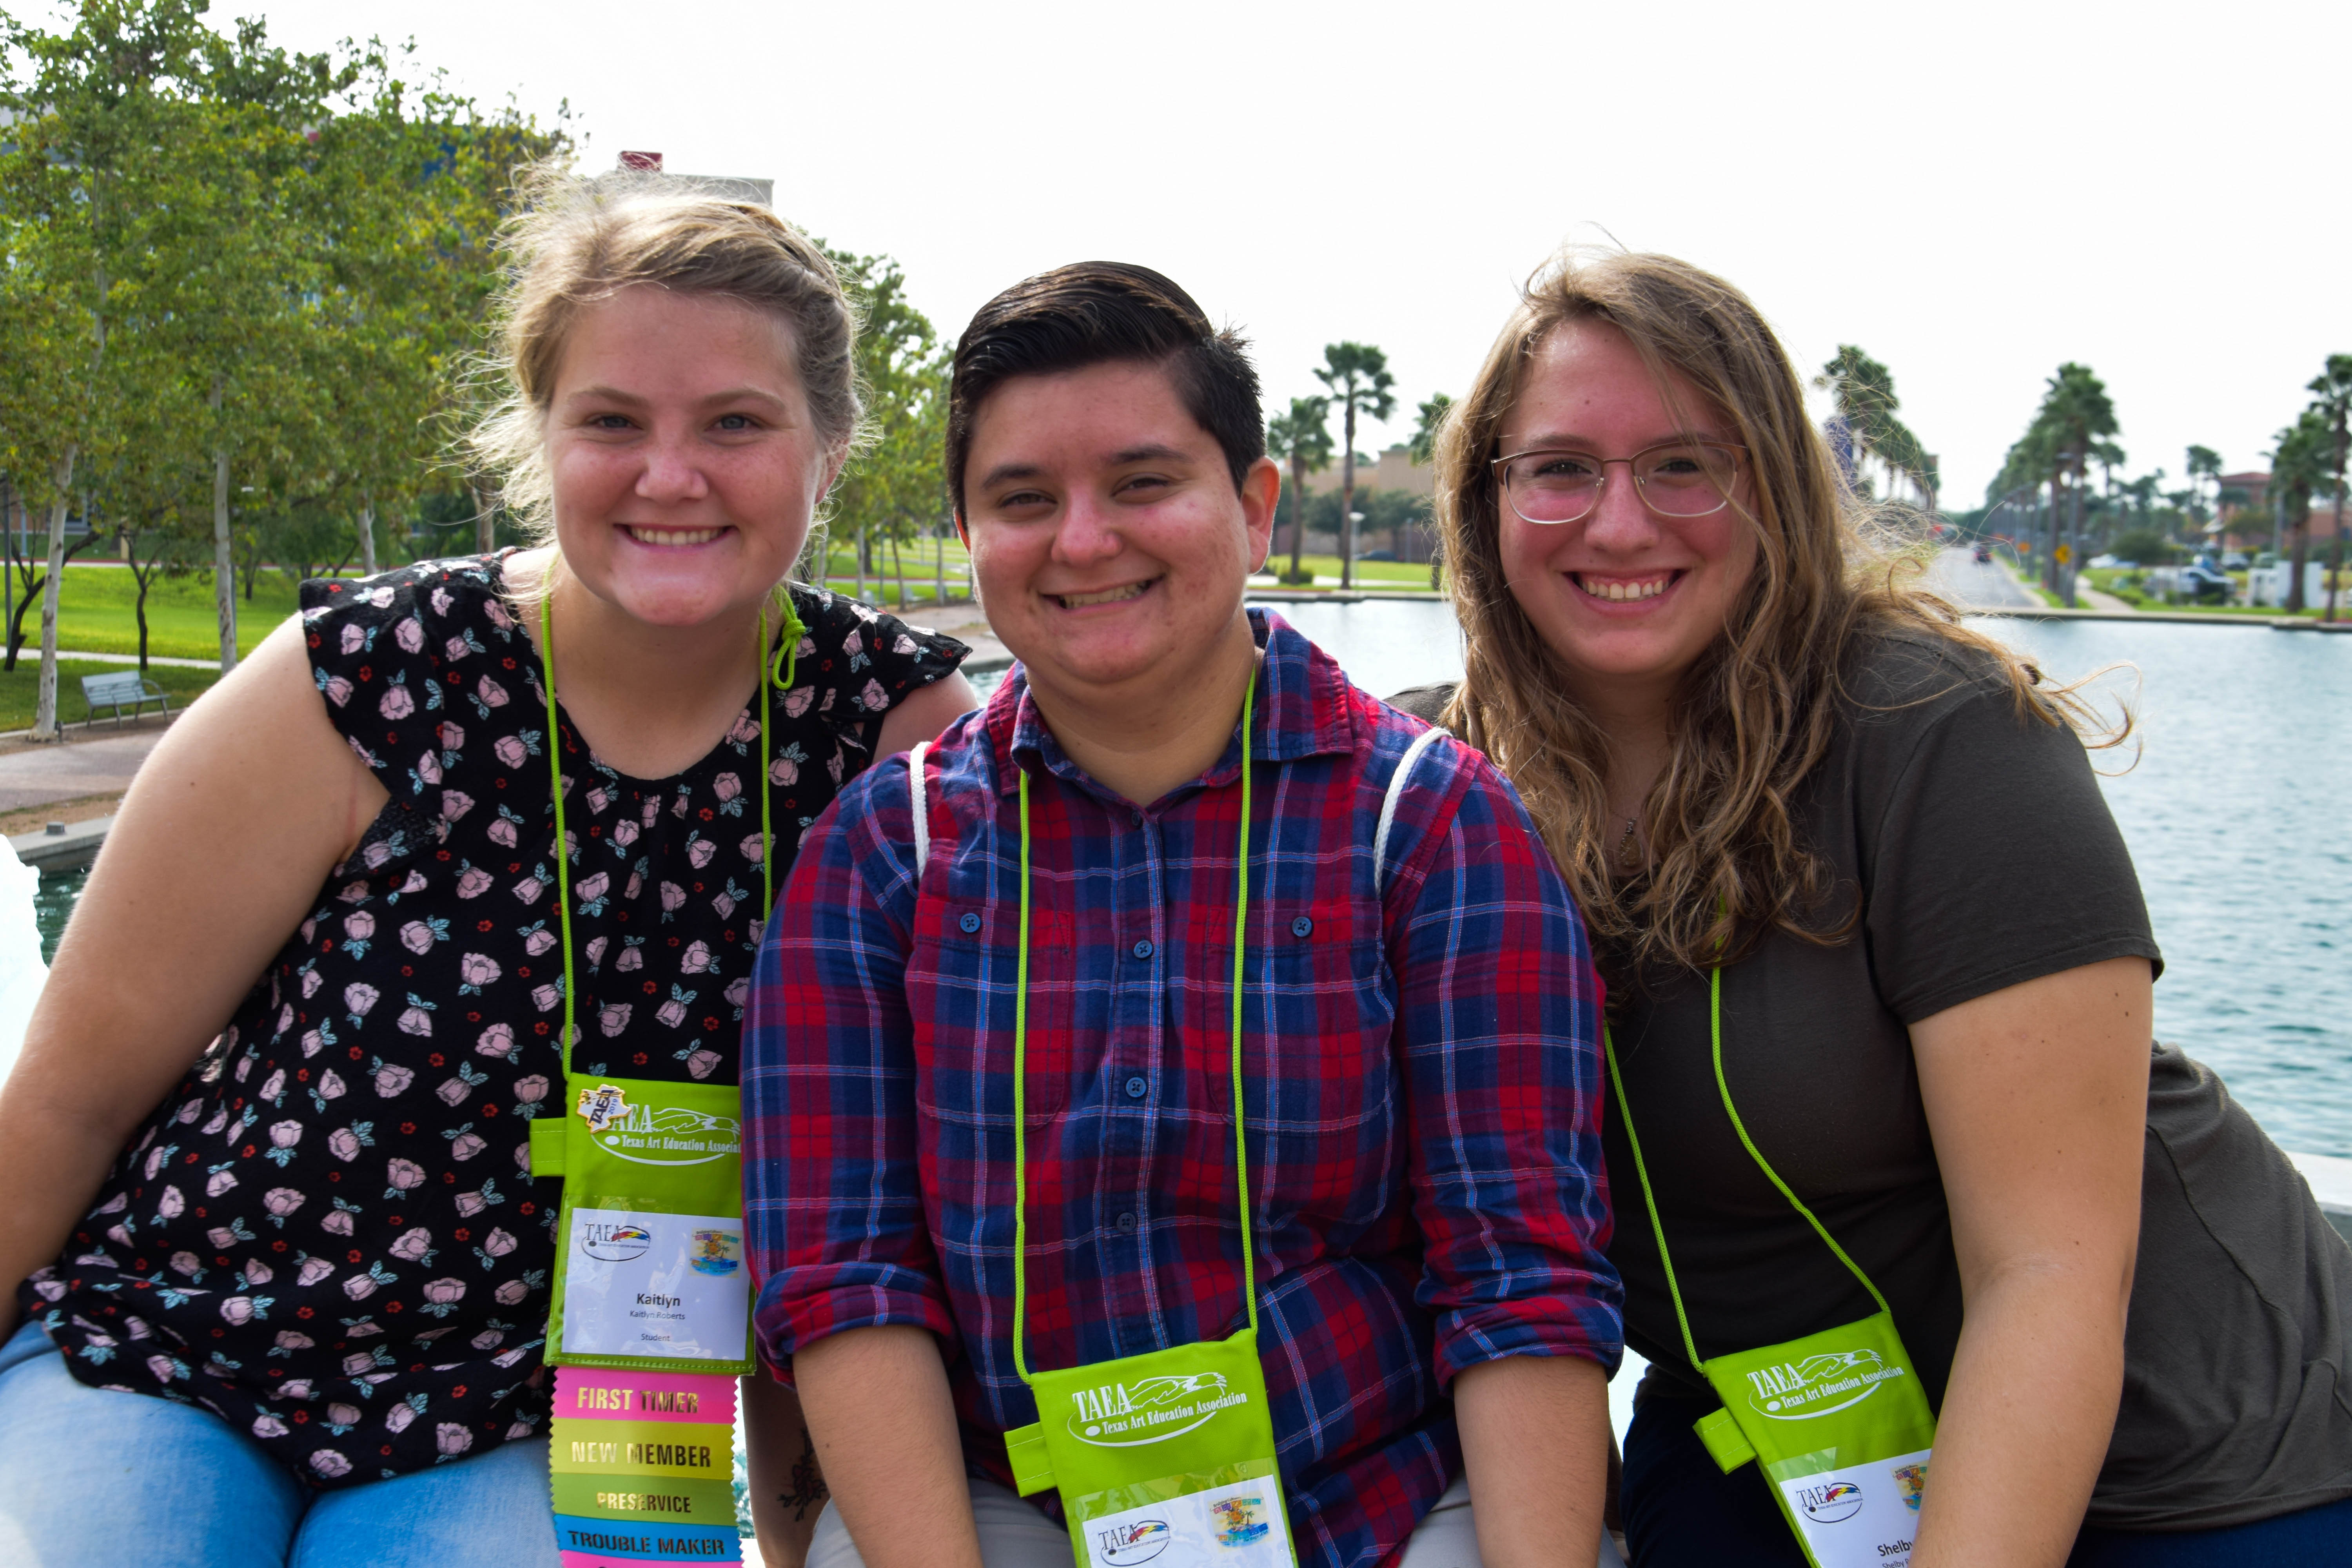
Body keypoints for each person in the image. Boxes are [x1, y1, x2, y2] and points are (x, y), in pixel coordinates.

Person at [0, 176, 977, 1568]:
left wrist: (795, 1524)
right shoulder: (369, 677)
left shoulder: (889, 735)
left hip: (564, 1412)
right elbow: (67, 1101)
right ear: (542, 438)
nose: (670, 475)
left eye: (735, 424)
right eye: (612, 422)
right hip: (177, 1343)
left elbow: (865, 1205)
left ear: (828, 452)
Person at [1392, 249, 2352, 1565]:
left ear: (1777, 489)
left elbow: (2050, 1273)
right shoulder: (1433, 789)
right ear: (1486, 501)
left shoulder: (1936, 734)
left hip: (2179, 1452)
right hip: (1781, 1446)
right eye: (1560, 468)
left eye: (1685, 465)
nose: (1619, 524)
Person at [741, 262, 1624, 1568]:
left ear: (1253, 507)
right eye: (1024, 501)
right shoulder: (886, 853)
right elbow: (845, 1280)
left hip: (1380, 1492)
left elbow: (1520, 1276)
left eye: (1143, 483)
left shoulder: (1433, 825)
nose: (1084, 540)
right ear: (970, 528)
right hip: (1006, 1503)